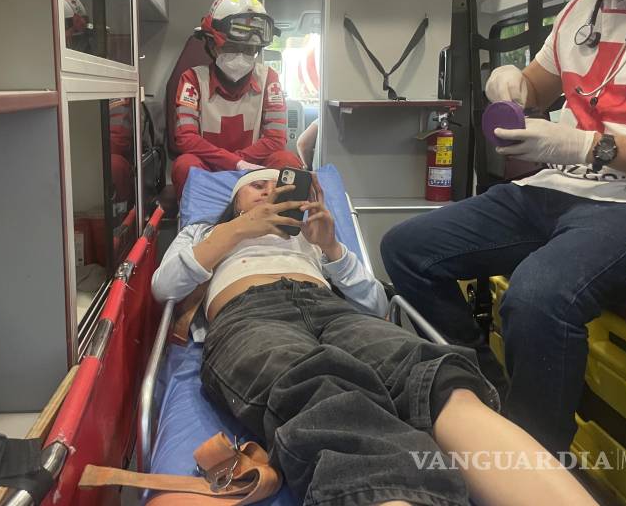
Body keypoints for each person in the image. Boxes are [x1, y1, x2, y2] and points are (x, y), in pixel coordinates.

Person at [382, 0, 626, 455]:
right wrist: (511, 85)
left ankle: (533, 462)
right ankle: (477, 394)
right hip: (555, 186)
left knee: (537, 298)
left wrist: (590, 146)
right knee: (406, 249)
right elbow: (540, 84)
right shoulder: (583, 5)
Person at [152, 169, 599, 506]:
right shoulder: (205, 234)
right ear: (234, 201)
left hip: (331, 310)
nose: (270, 192)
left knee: (437, 378)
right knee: (320, 390)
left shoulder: (308, 239)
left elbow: (374, 304)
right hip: (250, 312)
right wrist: (237, 230)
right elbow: (164, 287)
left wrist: (330, 247)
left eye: (279, 184)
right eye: (257, 187)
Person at [171, 0, 303, 197]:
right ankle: (198, 217)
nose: (241, 56)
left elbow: (276, 139)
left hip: (255, 170)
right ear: (211, 45)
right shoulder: (192, 79)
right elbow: (186, 138)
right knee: (184, 165)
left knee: (287, 161)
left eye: (249, 49)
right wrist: (234, 163)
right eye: (232, 47)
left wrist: (242, 163)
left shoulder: (269, 79)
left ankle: (276, 217)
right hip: (210, 170)